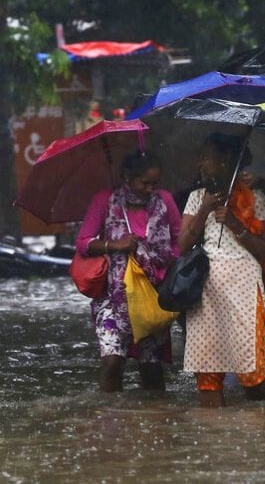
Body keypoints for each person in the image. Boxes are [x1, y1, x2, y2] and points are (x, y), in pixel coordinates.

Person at [178, 133, 265, 407]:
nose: (201, 163)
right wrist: (204, 211)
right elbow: (183, 244)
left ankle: (260, 431)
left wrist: (235, 224)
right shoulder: (198, 198)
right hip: (206, 293)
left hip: (244, 290)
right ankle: (213, 438)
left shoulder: (256, 199)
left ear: (225, 162)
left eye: (207, 158)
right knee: (207, 374)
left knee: (251, 372)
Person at [76, 151, 181, 392]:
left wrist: (165, 262)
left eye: (155, 183)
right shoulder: (105, 200)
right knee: (112, 362)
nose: (149, 189)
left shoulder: (164, 200)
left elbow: (178, 239)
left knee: (151, 367)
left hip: (152, 295)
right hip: (113, 295)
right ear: (127, 177)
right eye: (144, 182)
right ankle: (112, 419)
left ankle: (155, 420)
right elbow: (83, 243)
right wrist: (115, 245)